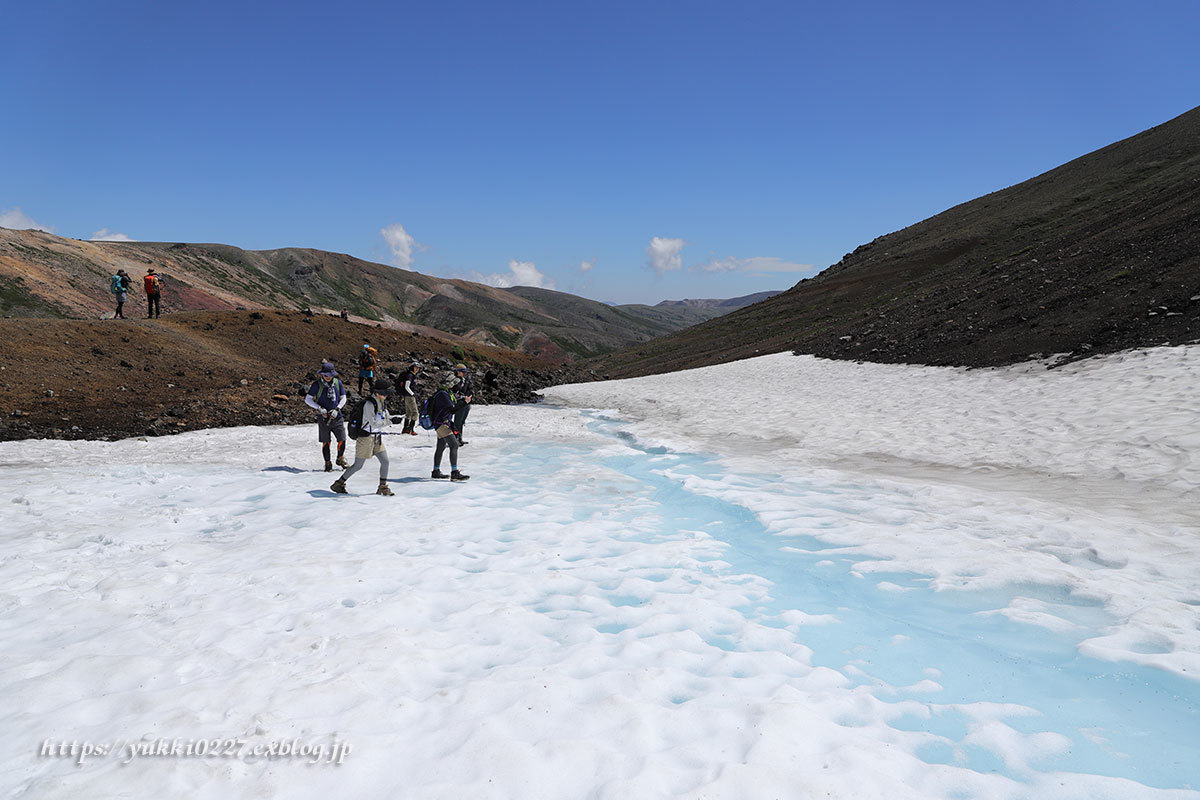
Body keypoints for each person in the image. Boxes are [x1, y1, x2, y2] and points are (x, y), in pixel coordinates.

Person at [331, 378, 397, 496]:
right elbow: (373, 423)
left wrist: (391, 419)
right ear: (378, 392)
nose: (387, 395)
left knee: (385, 461)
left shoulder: (382, 402)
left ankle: (383, 486)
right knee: (358, 465)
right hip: (365, 438)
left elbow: (384, 418)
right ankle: (338, 484)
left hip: (377, 437)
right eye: (385, 393)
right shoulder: (369, 404)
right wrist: (391, 422)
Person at [304, 361, 350, 472]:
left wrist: (338, 408)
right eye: (325, 375)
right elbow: (308, 399)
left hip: (337, 416)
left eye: (330, 375)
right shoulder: (317, 385)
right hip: (323, 417)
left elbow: (343, 397)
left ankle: (340, 458)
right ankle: (327, 463)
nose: (328, 378)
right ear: (321, 375)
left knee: (342, 439)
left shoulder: (337, 383)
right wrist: (319, 408)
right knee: (326, 441)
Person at [428, 372, 469, 481]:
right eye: (453, 383)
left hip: (440, 423)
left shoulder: (442, 393)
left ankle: (436, 471)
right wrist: (464, 402)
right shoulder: (443, 394)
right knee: (454, 445)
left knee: (441, 447)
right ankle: (454, 472)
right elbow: (452, 409)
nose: (455, 386)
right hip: (442, 424)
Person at [450, 363, 474, 445]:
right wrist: (464, 398)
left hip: (466, 403)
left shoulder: (464, 380)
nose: (464, 373)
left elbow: (468, 389)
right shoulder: (454, 380)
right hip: (459, 403)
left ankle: (459, 438)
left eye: (465, 372)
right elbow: (453, 393)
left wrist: (469, 396)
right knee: (457, 422)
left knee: (461, 421)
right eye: (462, 371)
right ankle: (455, 438)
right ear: (457, 371)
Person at [399, 362, 421, 435]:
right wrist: (413, 394)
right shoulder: (410, 376)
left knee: (408, 413)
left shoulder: (410, 375)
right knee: (415, 413)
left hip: (406, 396)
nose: (417, 369)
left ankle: (405, 429)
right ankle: (411, 429)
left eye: (418, 368)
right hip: (410, 397)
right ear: (412, 367)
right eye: (415, 367)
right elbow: (406, 386)